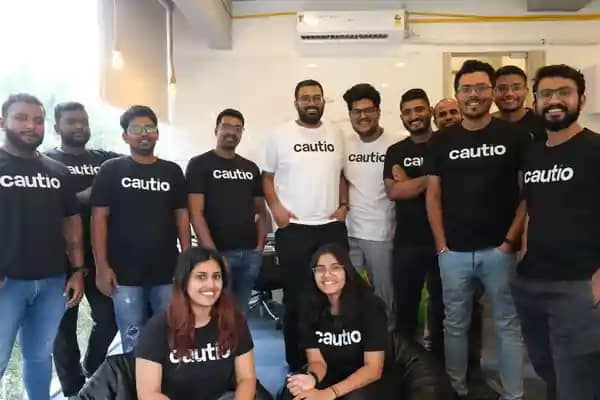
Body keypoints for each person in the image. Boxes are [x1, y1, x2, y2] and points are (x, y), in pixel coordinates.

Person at [425, 60, 528, 400]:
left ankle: (513, 394)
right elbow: (433, 195)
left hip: (500, 252)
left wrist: (509, 242)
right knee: (455, 324)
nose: (474, 95)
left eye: (481, 87)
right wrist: (442, 246)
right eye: (466, 89)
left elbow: (527, 194)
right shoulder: (441, 140)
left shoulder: (513, 136)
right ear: (457, 94)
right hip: (453, 252)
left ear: (492, 92)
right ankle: (456, 389)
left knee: (507, 324)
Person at [512, 64, 600, 400]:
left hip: (577, 286)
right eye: (546, 94)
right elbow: (532, 209)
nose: (554, 100)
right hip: (531, 282)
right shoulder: (534, 153)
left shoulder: (594, 149)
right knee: (546, 371)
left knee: (577, 382)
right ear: (535, 102)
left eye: (564, 92)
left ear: (581, 99)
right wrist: (523, 256)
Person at [0, 93, 84, 400]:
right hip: (6, 284)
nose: (31, 126)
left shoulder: (57, 171)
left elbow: (71, 224)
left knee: (39, 356)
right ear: (2, 122)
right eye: (21, 118)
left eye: (37, 120)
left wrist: (78, 270)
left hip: (52, 283)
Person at [263, 79, 349, 370]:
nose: (311, 102)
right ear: (296, 102)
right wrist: (276, 209)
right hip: (294, 230)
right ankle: (296, 362)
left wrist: (343, 205)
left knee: (335, 295)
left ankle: (331, 358)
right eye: (305, 98)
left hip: (330, 227)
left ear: (323, 101)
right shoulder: (280, 134)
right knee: (296, 299)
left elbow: (342, 174)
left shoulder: (337, 133)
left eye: (316, 97)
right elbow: (267, 177)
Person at [91, 105, 191, 353]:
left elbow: (182, 217)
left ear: (157, 133)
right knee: (132, 336)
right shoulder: (111, 169)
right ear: (125, 136)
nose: (144, 133)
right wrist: (101, 267)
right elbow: (99, 219)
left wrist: (187, 260)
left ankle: (167, 376)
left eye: (149, 128)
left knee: (171, 332)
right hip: (124, 274)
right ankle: (137, 377)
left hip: (166, 270)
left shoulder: (172, 171)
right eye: (136, 129)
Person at [45, 102, 119, 397]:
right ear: (57, 128)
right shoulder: (47, 162)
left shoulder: (105, 160)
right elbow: (48, 204)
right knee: (64, 329)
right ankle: (72, 389)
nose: (79, 127)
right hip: (61, 260)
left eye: (84, 121)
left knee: (109, 319)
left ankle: (92, 368)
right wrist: (85, 196)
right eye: (72, 121)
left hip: (101, 256)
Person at [135, 247, 257, 400]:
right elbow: (148, 393)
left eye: (217, 277)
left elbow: (246, 379)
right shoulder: (157, 328)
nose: (211, 285)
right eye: (201, 277)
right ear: (184, 281)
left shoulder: (234, 320)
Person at [281, 243, 392, 400]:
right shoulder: (309, 309)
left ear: (347, 271)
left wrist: (329, 393)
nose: (327, 275)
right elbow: (317, 361)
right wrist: (312, 379)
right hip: (330, 374)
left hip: (366, 380)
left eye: (335, 268)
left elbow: (373, 369)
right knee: (293, 394)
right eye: (320, 269)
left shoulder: (370, 308)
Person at [187, 108, 266, 314]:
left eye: (238, 128)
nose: (232, 132)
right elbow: (195, 213)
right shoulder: (199, 165)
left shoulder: (250, 168)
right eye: (226, 126)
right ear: (216, 130)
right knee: (215, 314)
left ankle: (238, 339)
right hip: (218, 254)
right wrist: (213, 255)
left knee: (240, 315)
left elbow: (260, 210)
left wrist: (259, 247)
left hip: (250, 254)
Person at [383, 88, 444, 361]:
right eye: (407, 112)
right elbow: (394, 191)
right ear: (402, 117)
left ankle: (440, 366)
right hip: (407, 242)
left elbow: (452, 188)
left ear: (429, 111)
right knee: (405, 311)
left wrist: (410, 181)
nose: (414, 116)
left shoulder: (446, 143)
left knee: (442, 309)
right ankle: (406, 366)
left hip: (444, 240)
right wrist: (433, 179)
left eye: (419, 109)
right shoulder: (396, 151)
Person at [341, 83, 397, 323]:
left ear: (378, 112)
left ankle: (388, 340)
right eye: (357, 111)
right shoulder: (345, 144)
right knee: (350, 296)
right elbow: (341, 177)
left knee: (384, 298)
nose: (362, 116)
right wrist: (343, 205)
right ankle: (359, 341)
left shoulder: (395, 144)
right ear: (350, 115)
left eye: (368, 110)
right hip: (349, 232)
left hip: (381, 234)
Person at [493, 65, 546, 141]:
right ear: (493, 92)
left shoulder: (542, 123)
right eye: (502, 88)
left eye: (516, 88)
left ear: (526, 91)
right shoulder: (486, 125)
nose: (509, 93)